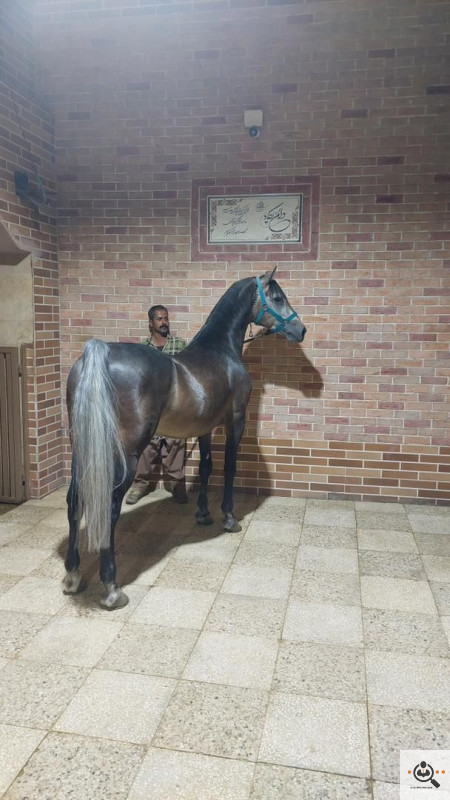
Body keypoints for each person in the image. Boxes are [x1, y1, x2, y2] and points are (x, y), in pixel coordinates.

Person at [125, 305, 188, 505]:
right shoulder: (142, 349)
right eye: (159, 319)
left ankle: (177, 484)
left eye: (166, 318)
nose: (164, 322)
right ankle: (140, 485)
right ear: (151, 323)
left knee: (176, 442)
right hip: (149, 406)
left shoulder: (179, 345)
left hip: (173, 405)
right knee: (144, 444)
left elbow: (187, 373)